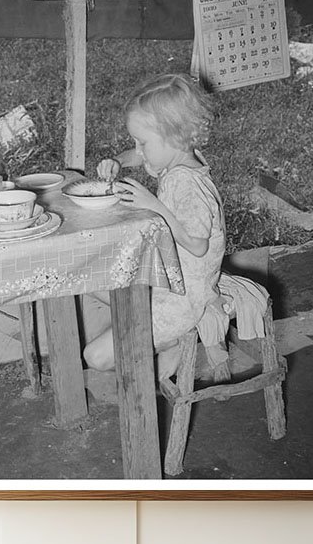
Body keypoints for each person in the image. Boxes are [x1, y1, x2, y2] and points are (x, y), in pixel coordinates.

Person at [83, 73, 227, 381]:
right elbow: (139, 156)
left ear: (173, 137)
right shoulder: (177, 159)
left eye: (142, 142)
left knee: (94, 357)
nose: (138, 148)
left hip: (184, 299)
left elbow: (197, 244)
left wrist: (154, 206)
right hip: (166, 279)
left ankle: (173, 338)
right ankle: (154, 339)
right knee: (88, 280)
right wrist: (117, 161)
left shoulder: (188, 184)